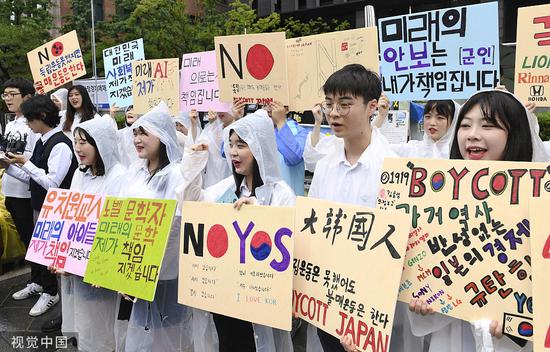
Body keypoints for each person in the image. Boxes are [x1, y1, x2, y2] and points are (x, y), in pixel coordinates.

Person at [409, 89, 545, 352]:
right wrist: (424, 301)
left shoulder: (540, 201)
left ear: (515, 132)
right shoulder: (436, 201)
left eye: (488, 125)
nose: (472, 134)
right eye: (465, 125)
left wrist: (524, 320)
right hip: (450, 339)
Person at [305, 64, 423, 352]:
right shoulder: (324, 166)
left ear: (372, 106)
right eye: (329, 103)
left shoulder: (394, 169)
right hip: (328, 302)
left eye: (345, 104)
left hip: (375, 312)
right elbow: (312, 232)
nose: (334, 113)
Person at [177, 109, 295, 352]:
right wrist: (193, 164)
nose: (233, 152)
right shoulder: (229, 187)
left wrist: (260, 214)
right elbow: (192, 204)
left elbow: (289, 245)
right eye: (230, 144)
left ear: (259, 147)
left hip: (259, 303)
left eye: (241, 145)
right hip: (226, 299)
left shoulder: (281, 193)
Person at [120, 101, 192, 352]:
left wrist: (150, 267)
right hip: (134, 267)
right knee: (141, 331)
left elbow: (175, 226)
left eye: (144, 133)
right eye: (135, 133)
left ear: (161, 137)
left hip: (165, 270)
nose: (137, 139)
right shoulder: (134, 171)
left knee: (166, 334)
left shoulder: (176, 174)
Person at [53, 115, 126, 351]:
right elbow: (70, 217)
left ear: (101, 143)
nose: (78, 147)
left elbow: (117, 226)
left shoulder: (119, 176)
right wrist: (58, 255)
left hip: (100, 266)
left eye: (84, 142)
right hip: (75, 263)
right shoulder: (79, 174)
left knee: (103, 321)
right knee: (83, 319)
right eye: (76, 141)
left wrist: (101, 266)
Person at [2, 95, 78, 316]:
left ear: (42, 116)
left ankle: (51, 293)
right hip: (40, 206)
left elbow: (52, 183)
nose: (27, 123)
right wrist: (9, 167)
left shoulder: (61, 145)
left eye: (29, 119)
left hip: (55, 209)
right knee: (40, 252)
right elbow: (33, 178)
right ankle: (42, 287)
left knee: (51, 255)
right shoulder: (43, 141)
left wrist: (25, 163)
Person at [1, 78, 40, 261]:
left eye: (13, 94)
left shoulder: (33, 124)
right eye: (5, 95)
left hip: (26, 192)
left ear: (27, 97)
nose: (8, 99)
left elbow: (33, 164)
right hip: (10, 190)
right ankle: (36, 281)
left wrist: (9, 167)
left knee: (34, 240)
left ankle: (45, 285)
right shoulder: (10, 124)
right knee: (26, 240)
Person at [264, 101, 309, 196]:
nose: (268, 108)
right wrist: (236, 119)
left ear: (287, 109)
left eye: (273, 104)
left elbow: (293, 158)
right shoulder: (261, 131)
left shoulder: (300, 132)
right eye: (265, 104)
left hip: (290, 202)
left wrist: (280, 122)